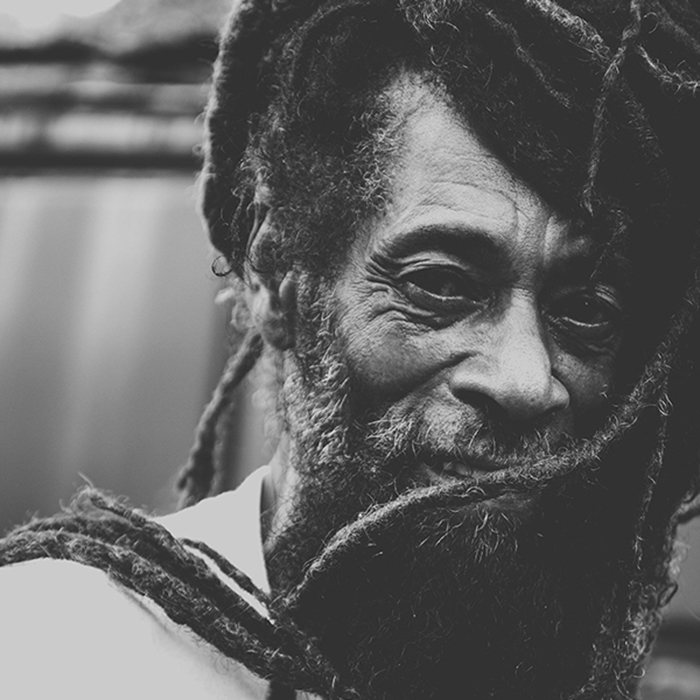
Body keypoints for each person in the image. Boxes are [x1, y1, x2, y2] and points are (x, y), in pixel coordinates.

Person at [3, 1, 700, 698]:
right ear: (278, 275)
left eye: (585, 311)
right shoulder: (53, 655)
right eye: (441, 285)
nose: (525, 380)